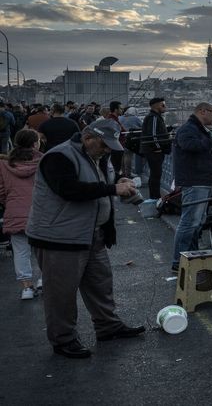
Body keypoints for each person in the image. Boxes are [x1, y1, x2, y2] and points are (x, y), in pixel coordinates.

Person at [25, 119, 144, 359]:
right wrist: (112, 190)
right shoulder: (59, 156)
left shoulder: (96, 157)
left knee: (100, 284)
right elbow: (69, 190)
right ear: (88, 138)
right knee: (61, 293)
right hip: (60, 238)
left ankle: (108, 327)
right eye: (104, 145)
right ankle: (63, 340)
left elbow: (95, 185)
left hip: (90, 235)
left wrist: (116, 183)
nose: (107, 150)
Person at [170, 102, 212, 272]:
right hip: (194, 181)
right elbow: (190, 145)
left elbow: (202, 154)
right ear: (203, 111)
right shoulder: (188, 129)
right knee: (189, 223)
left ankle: (191, 257)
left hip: (203, 180)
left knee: (197, 222)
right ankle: (178, 262)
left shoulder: (199, 130)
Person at [0, 130, 43, 300]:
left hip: (14, 211)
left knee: (20, 251)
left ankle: (26, 287)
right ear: (34, 144)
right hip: (40, 212)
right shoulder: (44, 161)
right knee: (43, 249)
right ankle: (43, 279)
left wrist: (10, 202)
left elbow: (1, 192)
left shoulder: (4, 164)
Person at [140, 97, 170, 199]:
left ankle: (155, 196)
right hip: (154, 151)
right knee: (155, 175)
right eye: (163, 105)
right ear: (156, 106)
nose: (165, 107)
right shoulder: (153, 117)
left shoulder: (156, 117)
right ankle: (155, 197)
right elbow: (152, 135)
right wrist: (158, 148)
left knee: (155, 174)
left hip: (154, 150)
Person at [119, 106, 143, 178]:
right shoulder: (136, 119)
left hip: (120, 140)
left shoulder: (120, 118)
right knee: (128, 156)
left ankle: (123, 172)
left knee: (123, 156)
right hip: (131, 140)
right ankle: (128, 173)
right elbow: (143, 127)